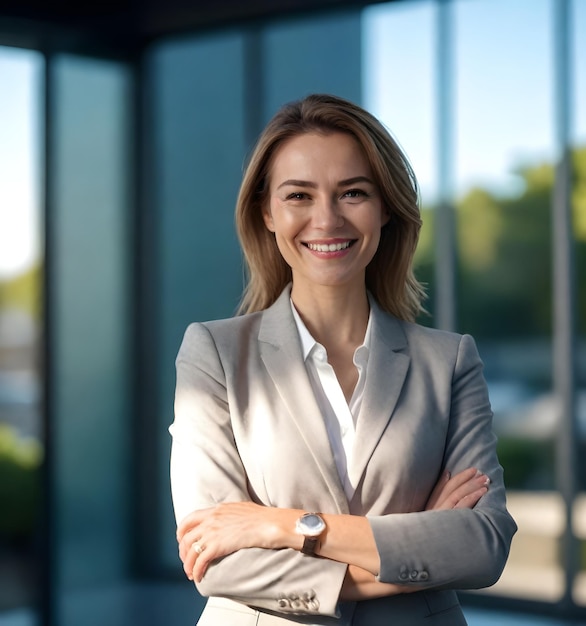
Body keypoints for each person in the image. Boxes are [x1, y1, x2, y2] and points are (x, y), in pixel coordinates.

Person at [169, 93, 517, 626]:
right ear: (267, 211)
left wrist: (282, 527)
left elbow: (483, 544)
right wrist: (421, 542)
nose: (326, 219)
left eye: (352, 192)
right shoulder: (213, 353)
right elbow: (215, 559)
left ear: (384, 208)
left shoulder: (448, 361)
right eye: (299, 196)